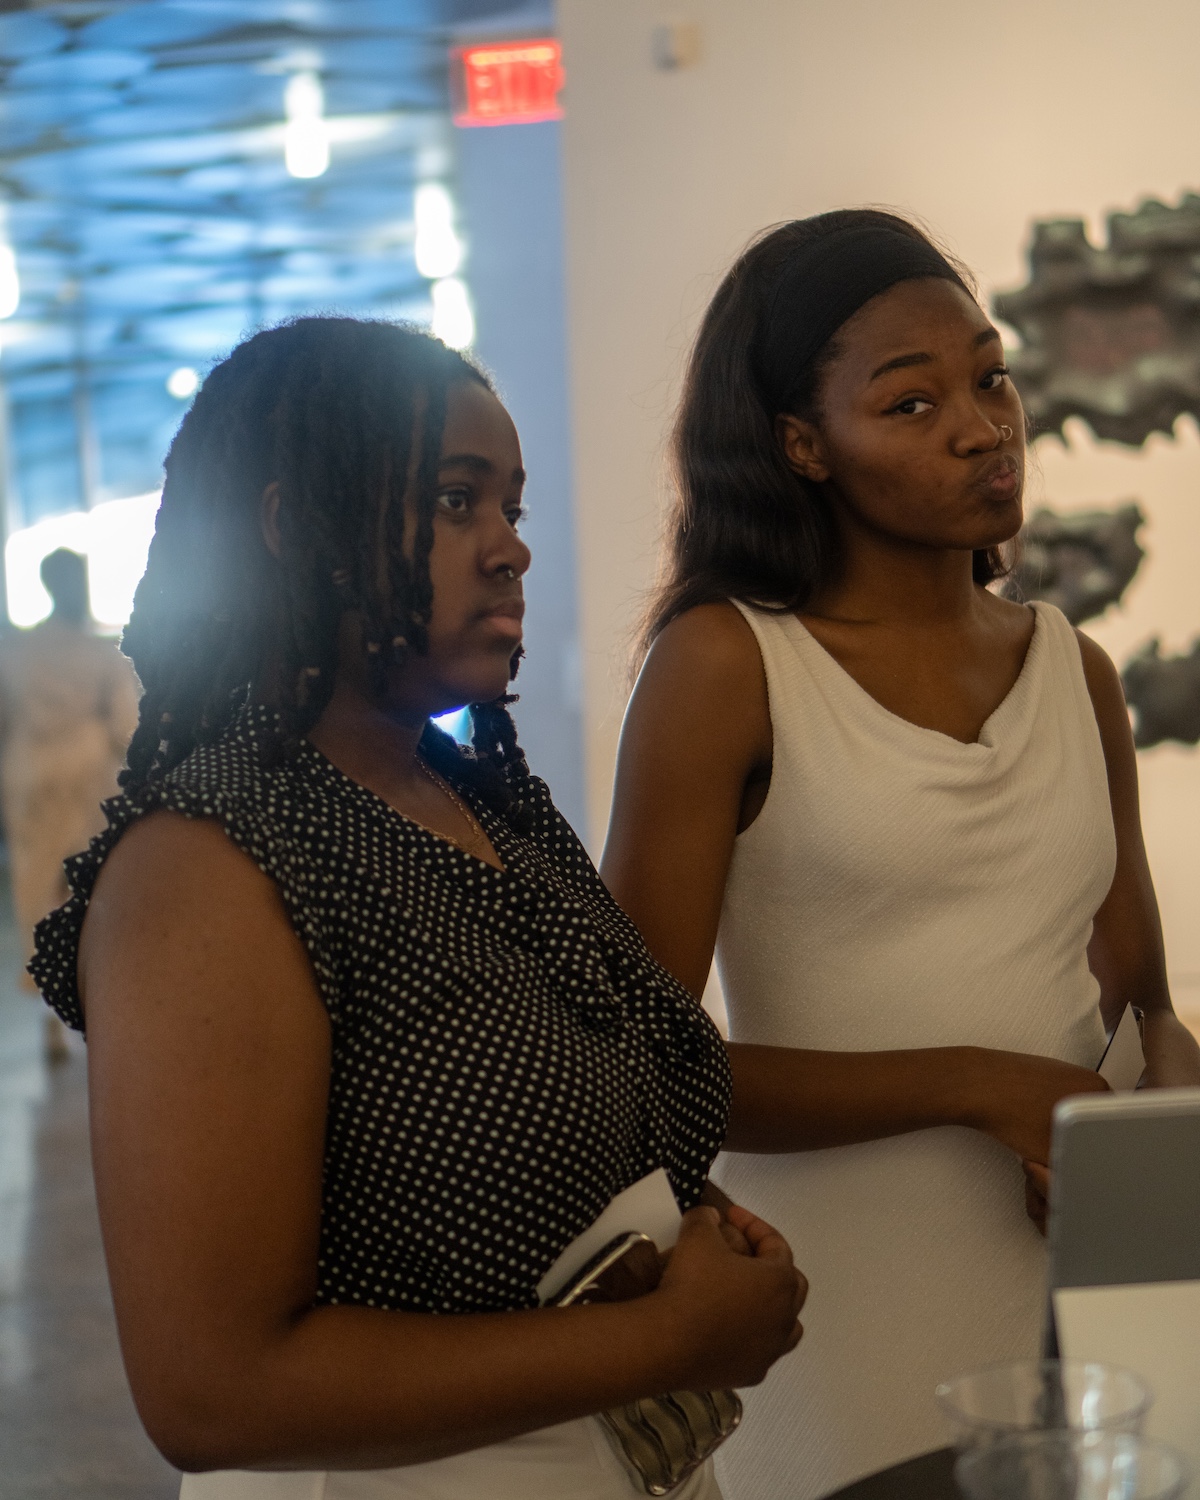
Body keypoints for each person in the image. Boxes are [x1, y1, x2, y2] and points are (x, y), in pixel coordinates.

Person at [30, 317, 807, 1500]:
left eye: (512, 507)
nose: (510, 549)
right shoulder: (209, 863)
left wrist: (688, 1224)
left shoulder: (474, 797)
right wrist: (666, 1339)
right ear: (294, 528)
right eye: (456, 502)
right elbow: (209, 1387)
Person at [600, 211, 1200, 1499]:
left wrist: (1146, 1128)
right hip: (839, 1307)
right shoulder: (729, 666)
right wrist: (980, 1086)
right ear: (802, 444)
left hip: (1069, 1289)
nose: (983, 429)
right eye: (912, 404)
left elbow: (1144, 1007)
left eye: (991, 379)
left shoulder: (1077, 671)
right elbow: (639, 1067)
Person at [0, 547, 138, 1057]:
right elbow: (127, 725)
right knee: (95, 892)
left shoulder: (16, 651)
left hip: (29, 777)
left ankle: (52, 1021)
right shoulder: (99, 653)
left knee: (37, 892)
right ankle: (98, 1007)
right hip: (87, 778)